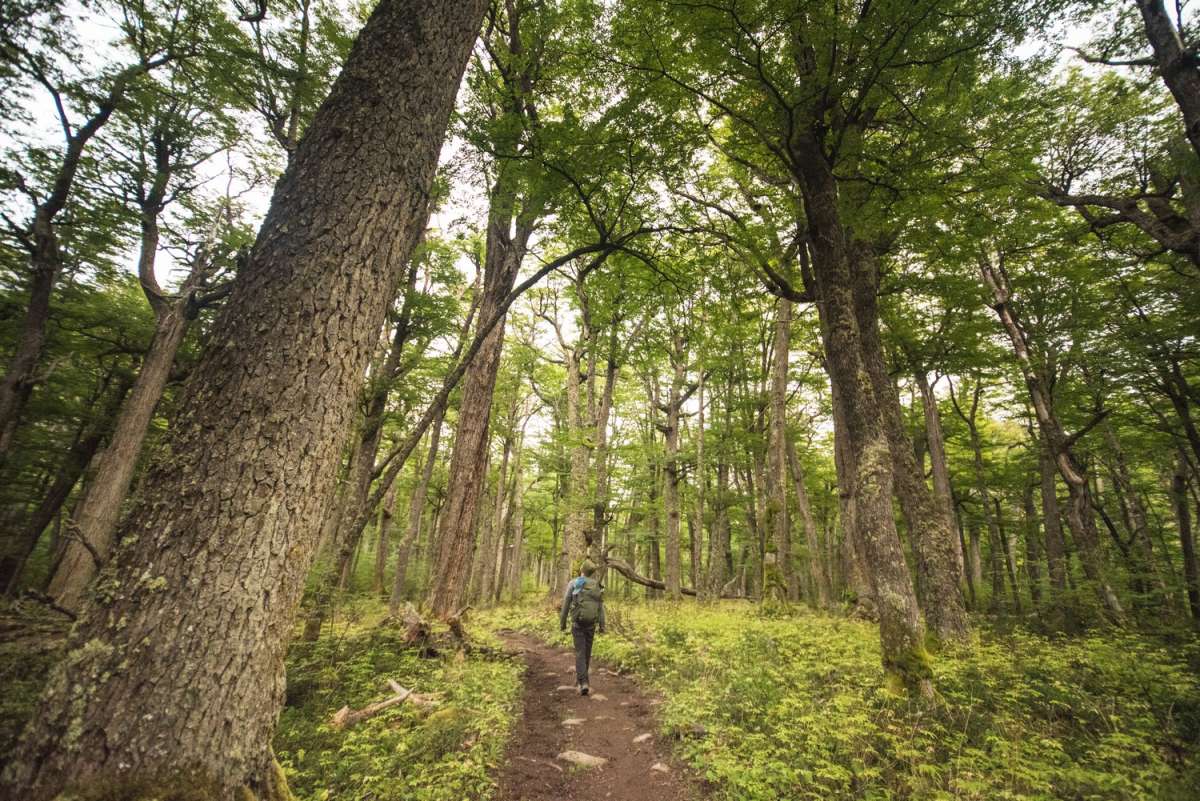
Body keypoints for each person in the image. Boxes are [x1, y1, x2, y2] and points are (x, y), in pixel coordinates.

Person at [559, 561, 606, 695]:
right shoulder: (597, 585)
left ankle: (583, 682)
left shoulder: (574, 583)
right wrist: (602, 625)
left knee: (580, 652)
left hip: (578, 623)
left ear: (582, 570)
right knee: (586, 652)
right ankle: (583, 680)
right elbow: (600, 608)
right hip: (591, 623)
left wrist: (562, 623)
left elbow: (566, 604)